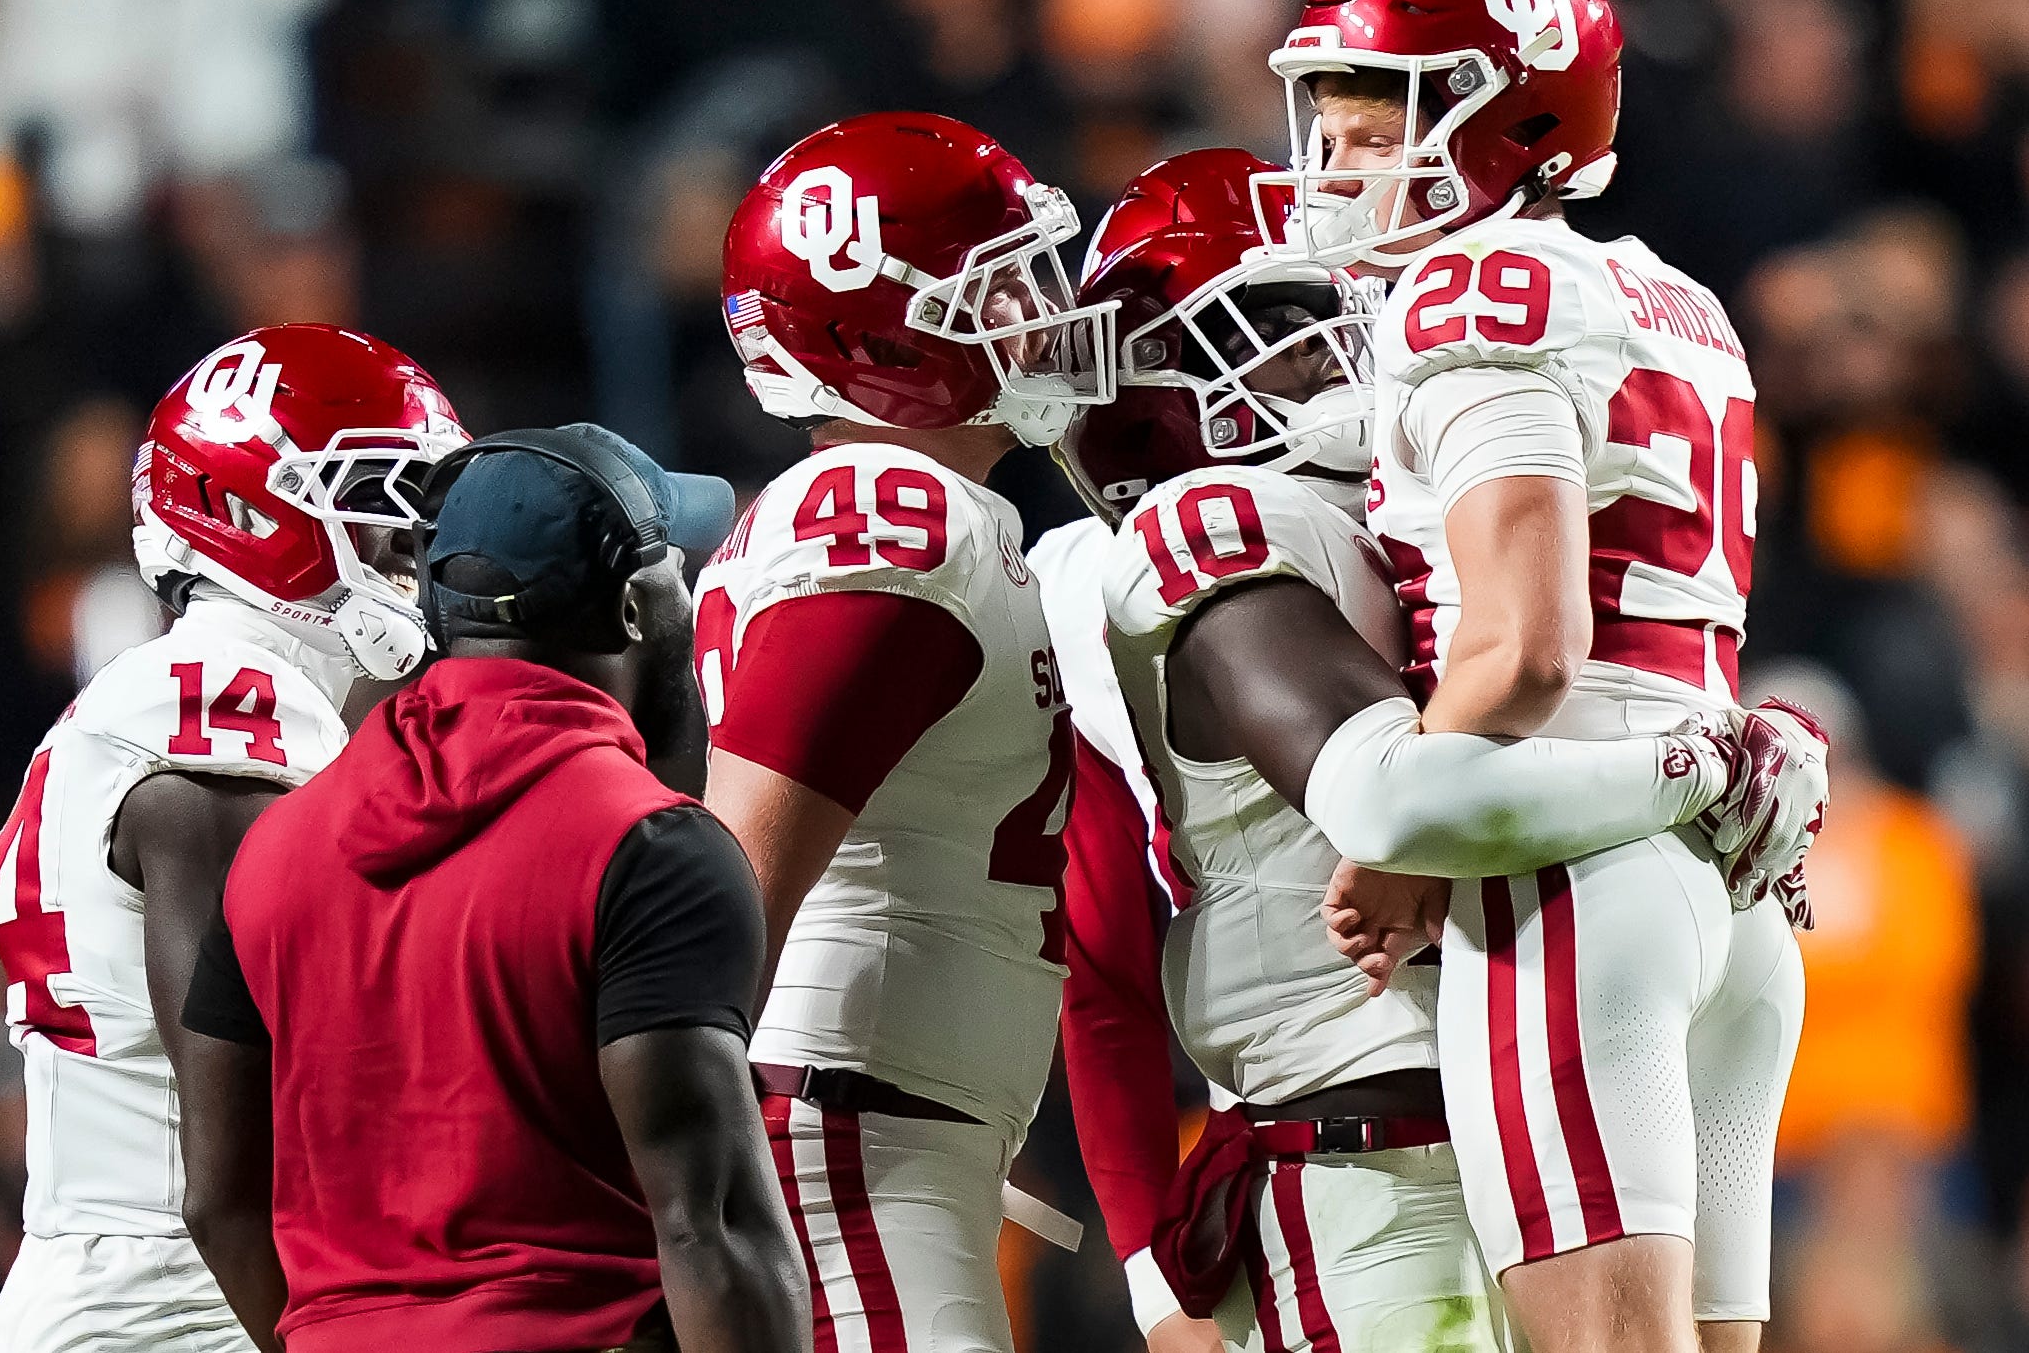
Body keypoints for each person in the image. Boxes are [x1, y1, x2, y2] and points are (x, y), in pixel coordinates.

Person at [1037, 148, 1825, 1353]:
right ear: (1149, 371)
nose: (1342, 353)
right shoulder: (1191, 537)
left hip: (1542, 1096)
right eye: (1285, 328)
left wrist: (1729, 734)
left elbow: (1595, 677)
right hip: (1358, 1145)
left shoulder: (1431, 490)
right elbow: (1104, 958)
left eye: (1342, 315)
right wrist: (1711, 767)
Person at [1263, 0, 1828, 1353]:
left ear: (1499, 114)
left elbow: (1524, 646)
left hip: (1568, 866)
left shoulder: (1471, 288)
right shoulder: (1671, 297)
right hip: (1730, 886)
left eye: (1372, 114)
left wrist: (1399, 828)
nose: (1330, 162)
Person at [176, 426, 811, 1353]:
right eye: (677, 566)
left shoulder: (277, 844)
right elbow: (708, 1226)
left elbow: (218, 1198)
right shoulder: (649, 848)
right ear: (639, 607)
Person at [698, 111, 1115, 1350]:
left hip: (879, 1121)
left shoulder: (932, 514)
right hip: (840, 1126)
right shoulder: (891, 510)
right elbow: (732, 889)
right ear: (886, 332)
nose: (1042, 316)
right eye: (1002, 288)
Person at [0, 324, 468, 1353]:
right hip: (189, 1305)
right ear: (249, 506)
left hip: (143, 1286)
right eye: (379, 500)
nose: (407, 545)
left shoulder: (171, 698)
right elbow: (250, 1135)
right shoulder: (220, 707)